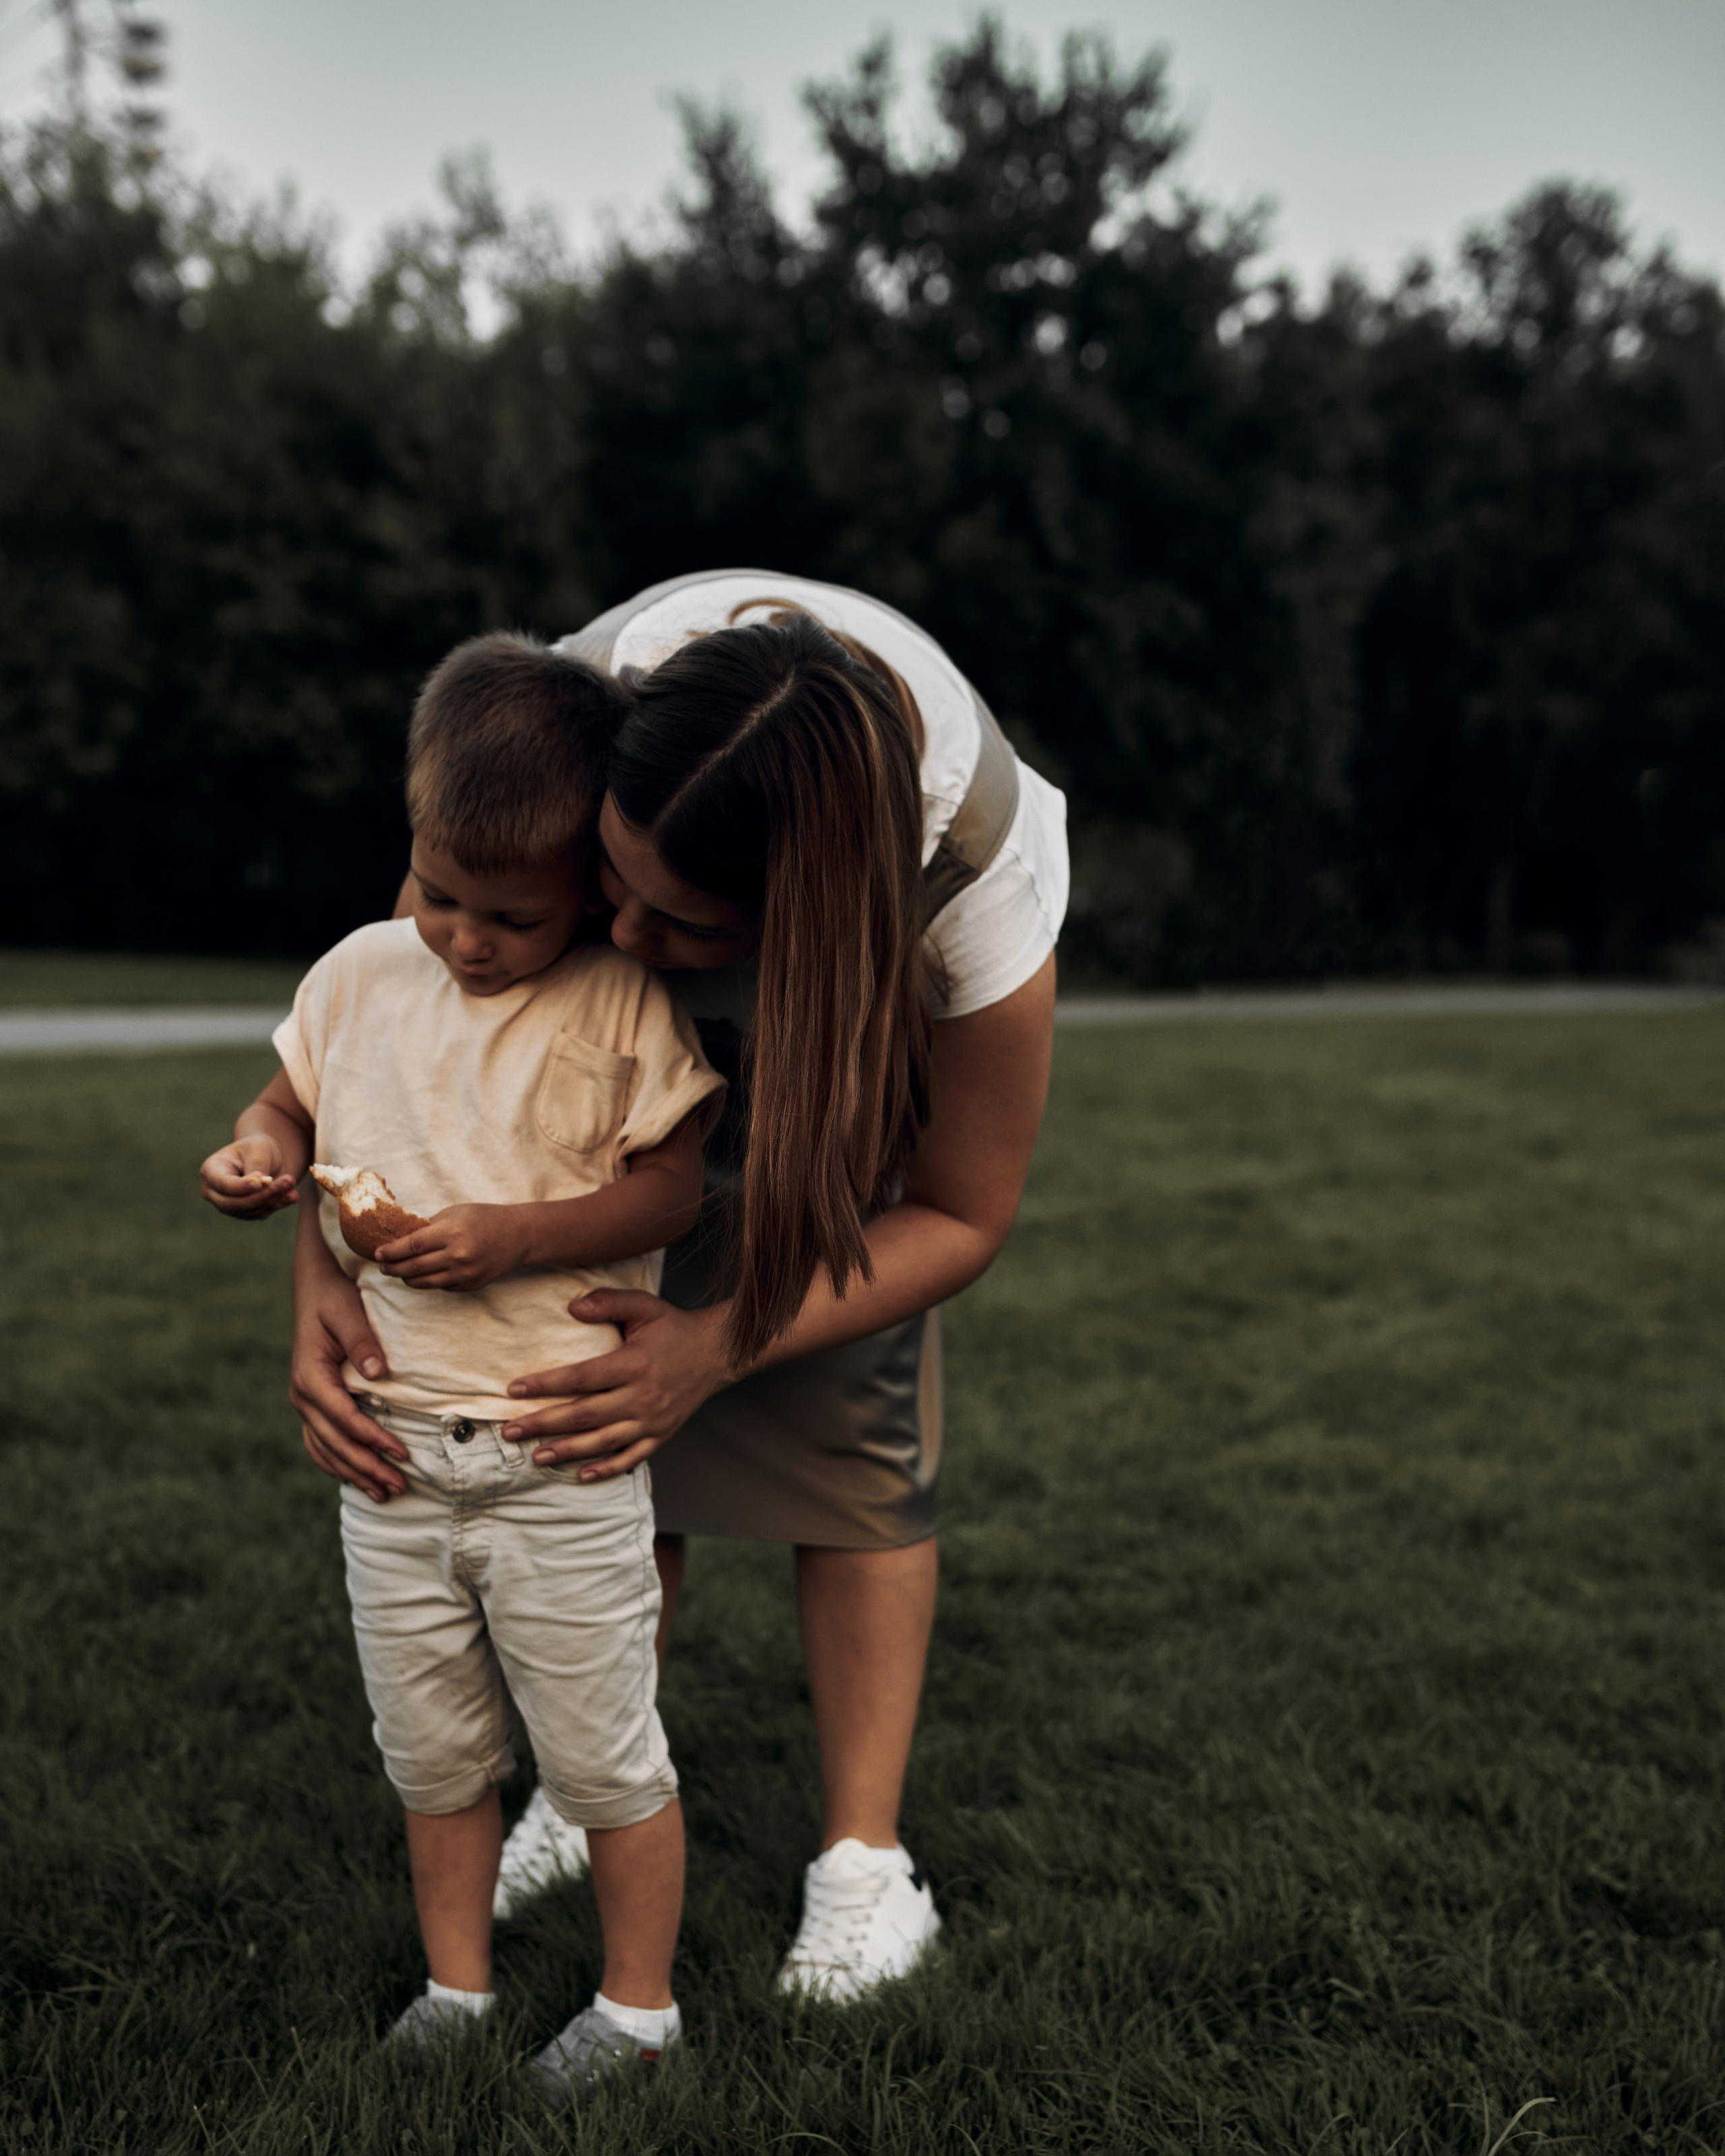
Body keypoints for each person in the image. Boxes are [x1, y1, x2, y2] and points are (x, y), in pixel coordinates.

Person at [288, 571, 1067, 2003]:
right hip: (582, 1116)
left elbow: (960, 1211)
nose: (628, 941)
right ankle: (591, 1787)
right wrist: (320, 1272)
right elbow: (400, 1015)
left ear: (799, 917)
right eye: (611, 882)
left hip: (846, 1083)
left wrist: (717, 1338)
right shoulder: (579, 706)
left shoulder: (976, 880)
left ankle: (862, 1863)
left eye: (684, 923)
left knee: (851, 1428)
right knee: (583, 1408)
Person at [199, 632, 724, 2103]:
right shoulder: (365, 971)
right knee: (429, 1753)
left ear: (591, 893)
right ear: (410, 847)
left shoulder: (617, 999)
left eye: (509, 915)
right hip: (390, 1455)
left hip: (556, 1450)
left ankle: (637, 2011)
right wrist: (262, 1155)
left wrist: (519, 1234)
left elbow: (677, 1189)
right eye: (438, 893)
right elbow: (283, 1098)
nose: (465, 939)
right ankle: (456, 1986)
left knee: (605, 1759)